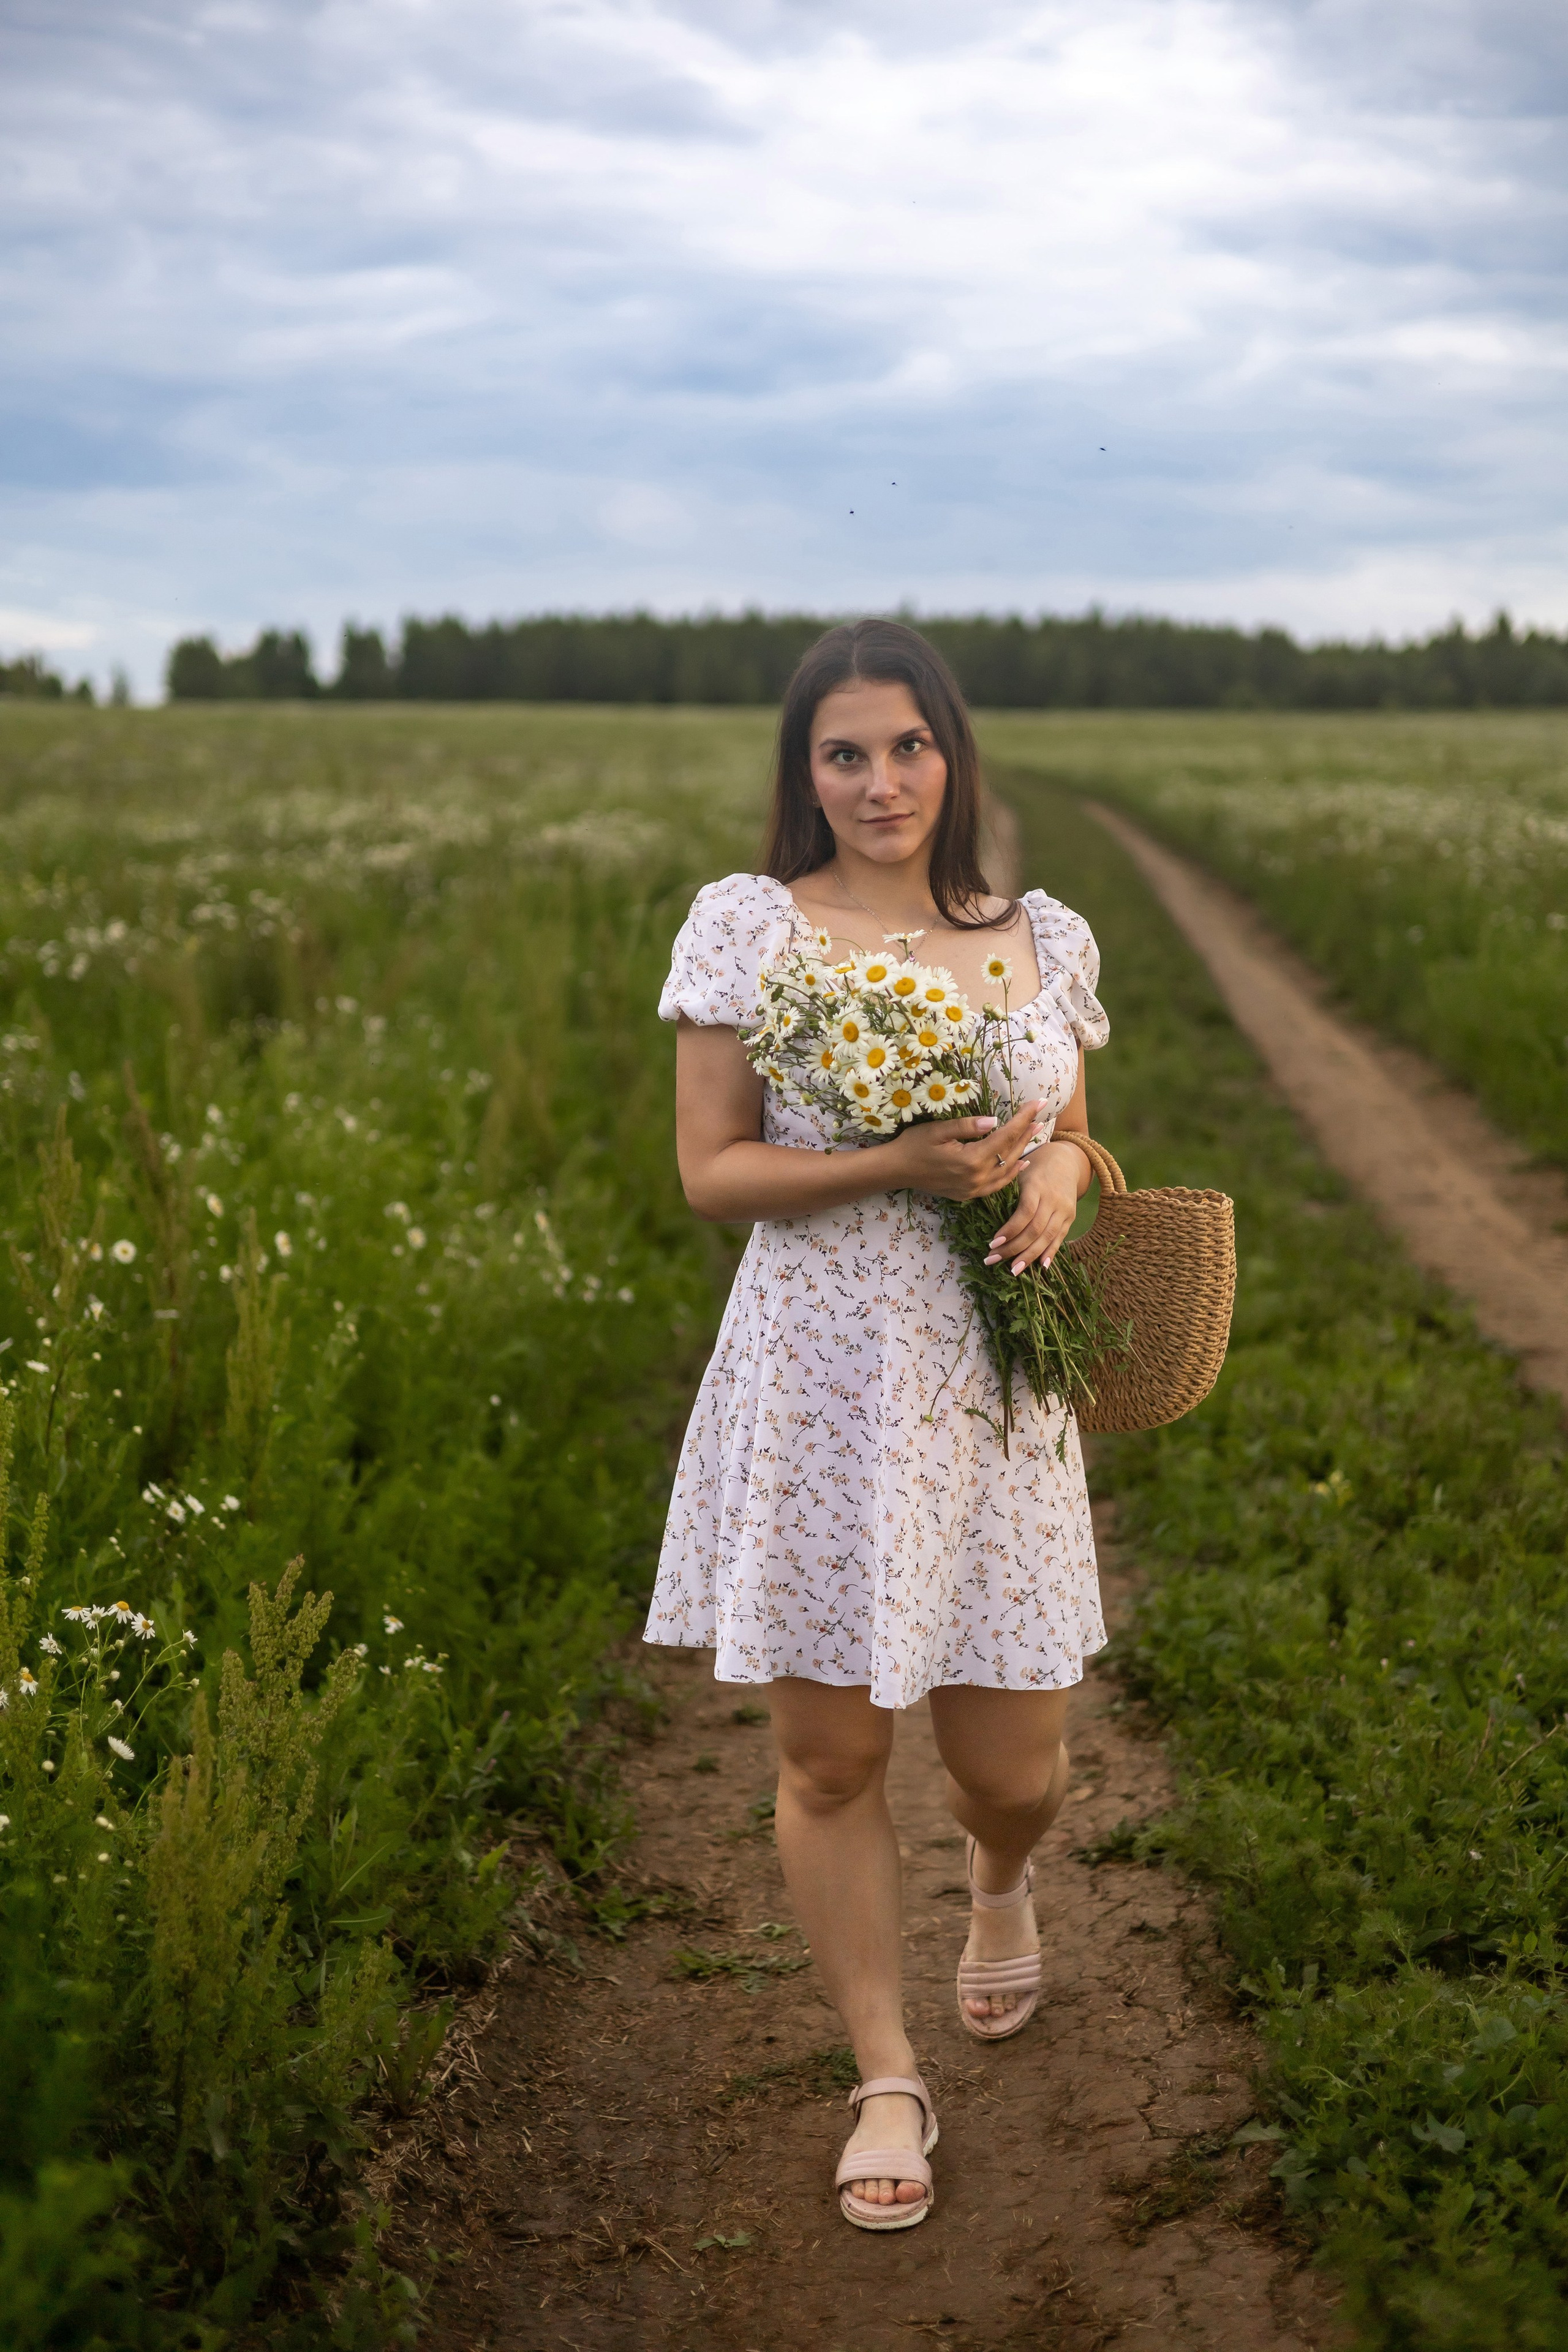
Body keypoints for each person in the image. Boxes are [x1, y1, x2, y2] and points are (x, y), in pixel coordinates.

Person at [647, 618, 1109, 2231]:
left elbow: (1071, 1126)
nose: (880, 781)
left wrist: (1058, 1172)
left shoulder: (1039, 933)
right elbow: (713, 1170)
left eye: (908, 746)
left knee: (1013, 1769)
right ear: (806, 772)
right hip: (823, 1384)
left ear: (951, 756)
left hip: (992, 1395)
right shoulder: (750, 927)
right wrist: (893, 1165)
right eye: (843, 753)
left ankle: (1001, 1876)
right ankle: (886, 2072)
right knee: (832, 1756)